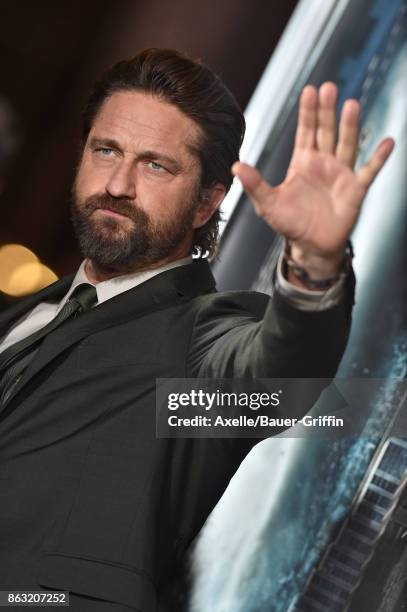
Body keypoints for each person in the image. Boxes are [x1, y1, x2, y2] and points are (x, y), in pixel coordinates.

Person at [0, 48, 394, 611]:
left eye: (156, 165)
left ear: (208, 202)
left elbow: (277, 372)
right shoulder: (18, 316)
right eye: (105, 150)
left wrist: (313, 263)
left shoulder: (202, 343)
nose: (116, 183)